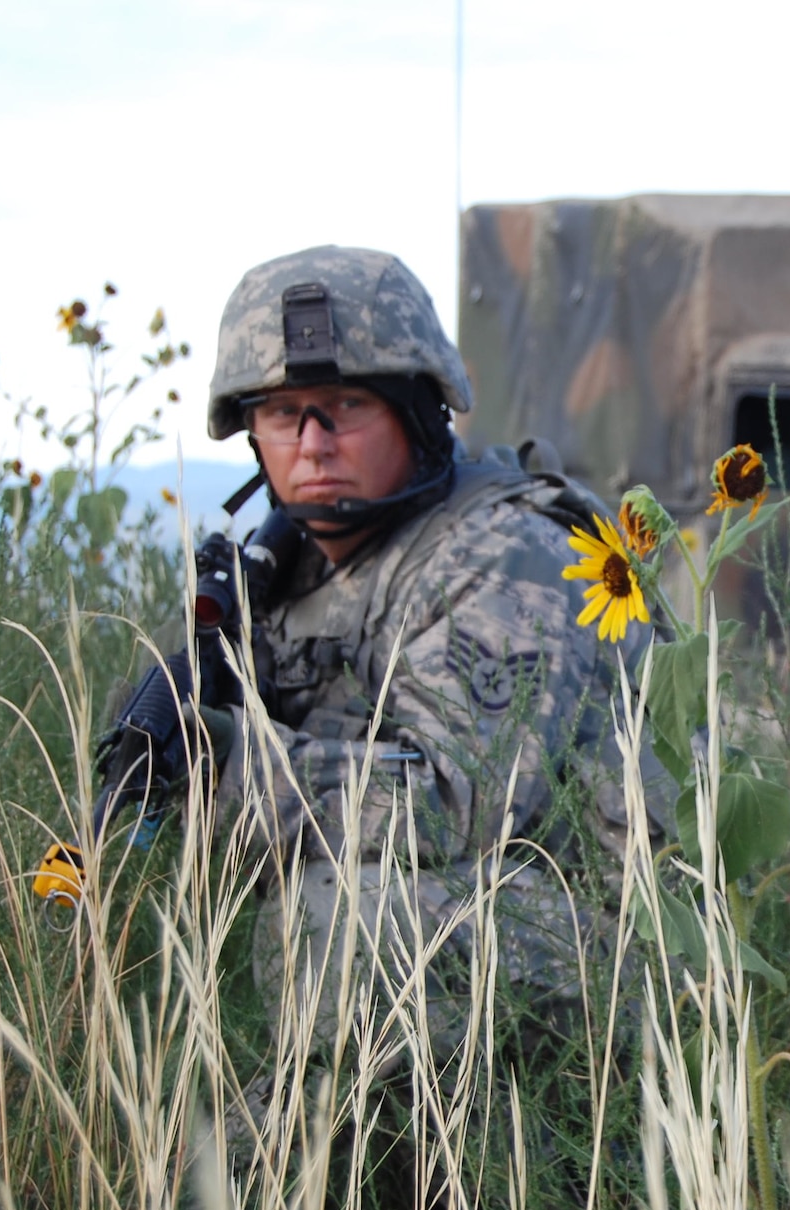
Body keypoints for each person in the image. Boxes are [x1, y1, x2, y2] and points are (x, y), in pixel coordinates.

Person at [197, 244, 651, 1073]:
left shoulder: (506, 552)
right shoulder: (281, 570)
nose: (312, 443)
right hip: (468, 935)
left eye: (343, 406)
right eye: (282, 413)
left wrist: (230, 771)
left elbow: (456, 799)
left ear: (416, 412)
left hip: (607, 957)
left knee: (335, 924)